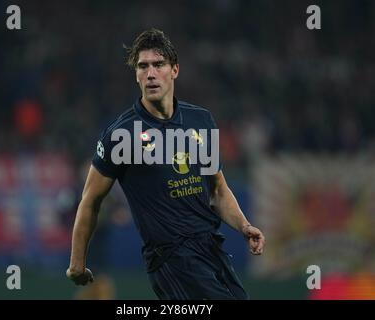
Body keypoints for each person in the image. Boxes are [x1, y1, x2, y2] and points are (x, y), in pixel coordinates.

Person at [66, 28, 265, 300]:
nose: (150, 73)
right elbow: (90, 201)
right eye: (143, 66)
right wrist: (77, 262)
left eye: (158, 65)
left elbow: (218, 191)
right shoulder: (121, 135)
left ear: (175, 70)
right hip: (171, 259)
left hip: (211, 252)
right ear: (136, 75)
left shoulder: (201, 121)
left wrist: (244, 226)